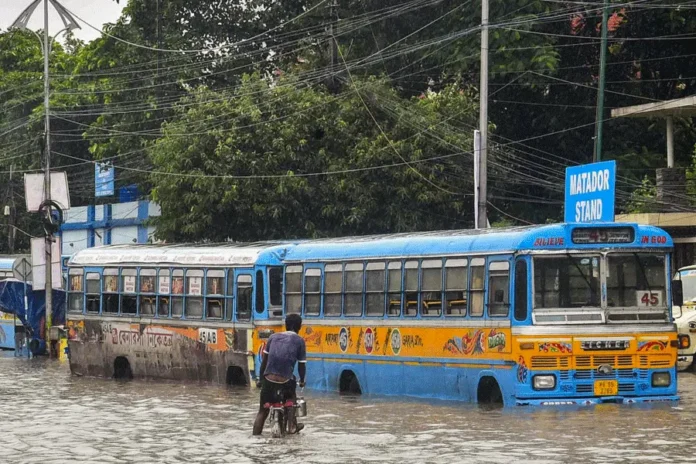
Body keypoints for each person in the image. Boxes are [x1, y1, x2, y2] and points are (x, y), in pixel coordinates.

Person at [253, 313, 307, 435]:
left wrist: (261, 379)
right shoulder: (299, 341)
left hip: (268, 379)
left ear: (286, 325)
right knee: (291, 396)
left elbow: (264, 361)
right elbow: (301, 365)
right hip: (285, 381)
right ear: (299, 327)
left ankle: (255, 437)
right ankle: (292, 426)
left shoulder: (273, 337)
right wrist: (302, 380)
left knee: (262, 411)